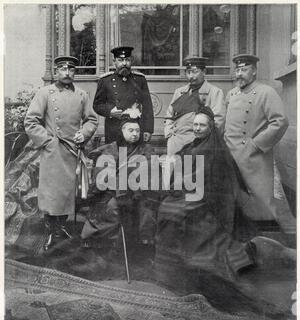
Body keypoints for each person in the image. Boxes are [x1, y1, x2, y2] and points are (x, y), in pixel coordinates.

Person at [155, 105, 257, 291]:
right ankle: (171, 267)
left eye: (202, 125)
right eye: (195, 125)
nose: (197, 128)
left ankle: (190, 267)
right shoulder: (191, 145)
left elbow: (214, 181)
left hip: (210, 198)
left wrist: (185, 185)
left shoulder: (215, 150)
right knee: (165, 207)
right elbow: (183, 167)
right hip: (190, 192)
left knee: (175, 212)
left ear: (210, 128)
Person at [24, 56, 98, 250]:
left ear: (75, 72)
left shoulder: (82, 95)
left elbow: (92, 120)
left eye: (71, 70)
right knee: (51, 193)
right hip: (53, 149)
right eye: (63, 69)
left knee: (67, 192)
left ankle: (61, 227)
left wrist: (85, 133)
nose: (67, 73)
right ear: (56, 71)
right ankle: (50, 229)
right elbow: (31, 121)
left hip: (72, 149)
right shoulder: (45, 93)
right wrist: (47, 141)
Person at [224, 54, 296, 237]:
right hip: (231, 156)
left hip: (254, 158)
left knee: (265, 202)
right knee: (237, 202)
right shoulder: (231, 94)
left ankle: (277, 241)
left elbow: (280, 122)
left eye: (244, 70)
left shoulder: (266, 92)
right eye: (237, 70)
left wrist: (256, 145)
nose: (239, 74)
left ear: (254, 71)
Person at [81, 117, 158, 257]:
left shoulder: (146, 149)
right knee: (111, 209)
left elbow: (150, 171)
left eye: (137, 131)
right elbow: (104, 174)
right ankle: (105, 247)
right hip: (113, 192)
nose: (135, 134)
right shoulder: (111, 149)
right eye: (130, 130)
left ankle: (141, 247)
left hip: (139, 193)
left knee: (146, 211)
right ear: (122, 131)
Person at [164, 56, 226, 155]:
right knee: (175, 170)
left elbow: (218, 121)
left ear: (204, 72)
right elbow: (169, 115)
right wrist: (169, 135)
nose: (191, 76)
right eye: (188, 72)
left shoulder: (214, 92)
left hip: (198, 144)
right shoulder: (179, 92)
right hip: (176, 142)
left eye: (195, 72)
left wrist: (205, 142)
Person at [93, 46, 154, 144]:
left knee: (135, 157)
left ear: (131, 61)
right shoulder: (105, 80)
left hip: (135, 128)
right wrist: (110, 111)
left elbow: (147, 106)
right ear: (114, 61)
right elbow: (97, 105)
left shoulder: (139, 80)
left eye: (127, 60)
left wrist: (148, 129)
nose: (124, 63)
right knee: (115, 157)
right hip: (114, 128)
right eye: (120, 60)